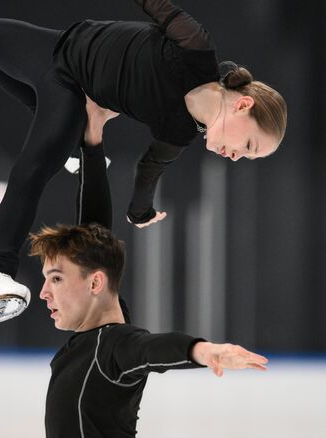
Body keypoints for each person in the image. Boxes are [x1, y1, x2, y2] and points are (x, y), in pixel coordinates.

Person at [0, 0, 286, 330]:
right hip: (59, 47)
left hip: (73, 95)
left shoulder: (178, 132)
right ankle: (68, 144)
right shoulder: (195, 48)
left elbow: (148, 172)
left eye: (247, 157)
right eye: (249, 145)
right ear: (244, 104)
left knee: (30, 171)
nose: (237, 156)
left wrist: (141, 211)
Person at [30, 102, 268, 438]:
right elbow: (94, 228)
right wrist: (93, 138)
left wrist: (202, 351)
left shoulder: (111, 346)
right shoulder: (94, 339)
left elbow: (150, 350)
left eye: (55, 278)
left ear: (96, 282)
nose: (43, 292)